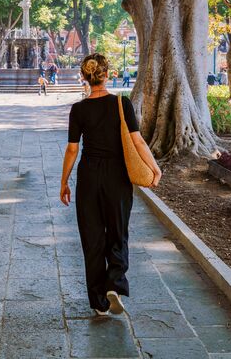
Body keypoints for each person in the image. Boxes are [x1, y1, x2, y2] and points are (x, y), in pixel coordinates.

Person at [60, 54, 162, 318]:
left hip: (89, 175)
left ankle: (98, 302)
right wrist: (154, 167)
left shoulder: (79, 109)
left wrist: (64, 182)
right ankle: (114, 283)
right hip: (117, 175)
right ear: (107, 75)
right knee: (118, 230)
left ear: (84, 77)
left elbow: (72, 149)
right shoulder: (121, 103)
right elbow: (137, 142)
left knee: (91, 237)